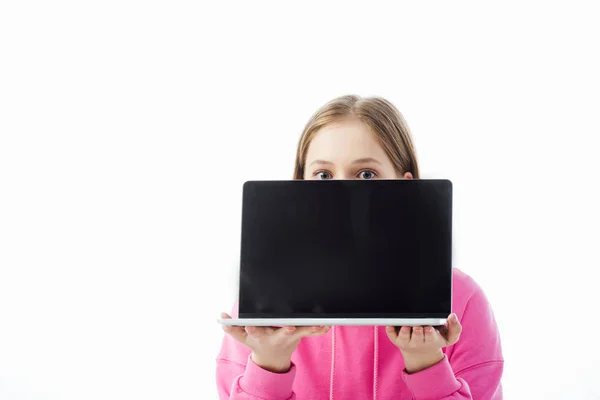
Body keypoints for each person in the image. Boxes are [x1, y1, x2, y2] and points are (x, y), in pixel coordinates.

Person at [216, 95, 504, 399]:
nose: (341, 194)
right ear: (297, 185)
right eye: (323, 175)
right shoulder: (261, 309)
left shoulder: (460, 300)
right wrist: (269, 366)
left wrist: (427, 364)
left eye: (366, 174)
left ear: (407, 186)